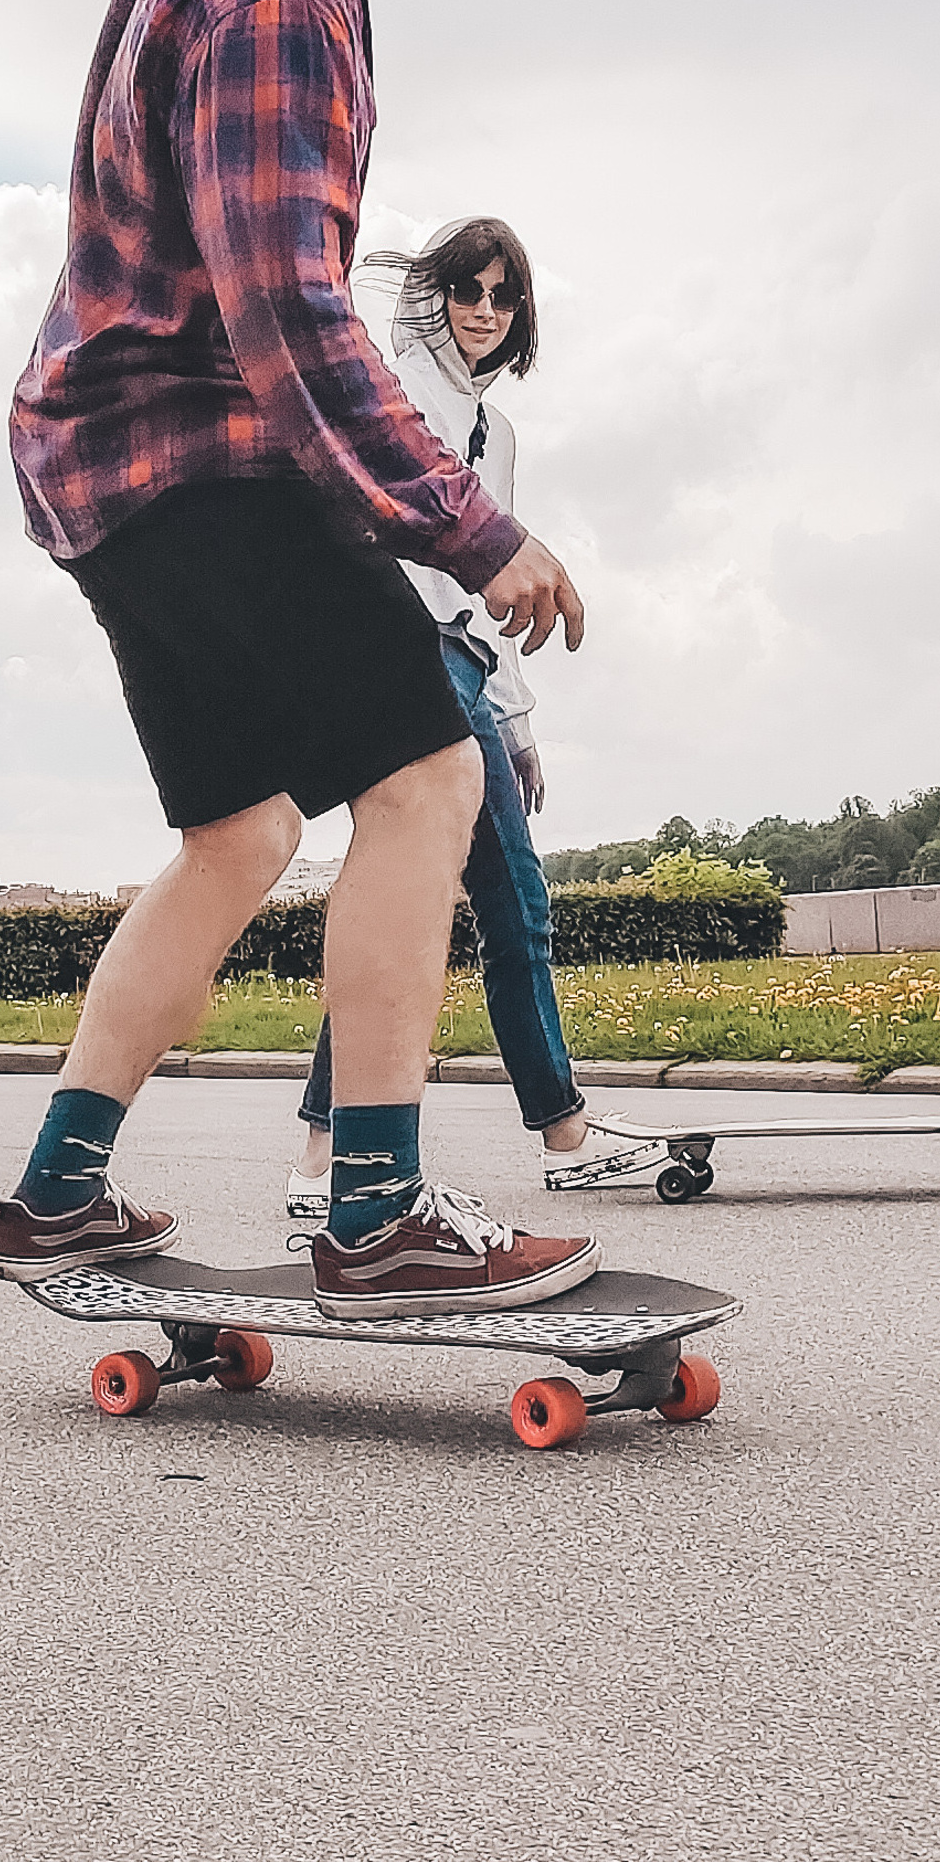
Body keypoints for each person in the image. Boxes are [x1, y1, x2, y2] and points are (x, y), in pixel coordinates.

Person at [0, 0, 600, 1318]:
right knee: (425, 776)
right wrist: (474, 529)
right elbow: (293, 323)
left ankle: (55, 1193)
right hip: (194, 448)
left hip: (106, 447)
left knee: (241, 835)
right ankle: (379, 1215)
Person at [286, 219, 665, 1216]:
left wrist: (518, 720)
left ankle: (321, 1155)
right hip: (395, 651)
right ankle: (564, 1132)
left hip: (461, 663)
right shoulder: (397, 383)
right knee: (511, 900)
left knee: (407, 902)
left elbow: (486, 590)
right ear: (435, 294)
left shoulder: (498, 436)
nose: (484, 313)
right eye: (467, 290)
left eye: (503, 298)